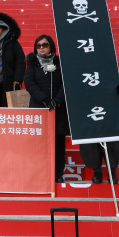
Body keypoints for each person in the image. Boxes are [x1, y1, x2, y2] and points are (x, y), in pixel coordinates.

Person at [24, 35, 69, 183]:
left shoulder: (60, 63)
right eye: (38, 45)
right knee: (38, 143)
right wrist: (44, 99)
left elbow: (66, 83)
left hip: (59, 108)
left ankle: (57, 174)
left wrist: (57, 100)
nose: (42, 48)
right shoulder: (32, 63)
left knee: (58, 142)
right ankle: (40, 173)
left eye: (45, 45)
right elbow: (29, 83)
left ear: (51, 47)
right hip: (39, 107)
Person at [79, 84, 119, 184]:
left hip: (108, 110)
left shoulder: (107, 71)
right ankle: (97, 172)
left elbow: (115, 91)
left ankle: (112, 172)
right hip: (86, 108)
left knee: (111, 142)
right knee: (90, 144)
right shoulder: (80, 72)